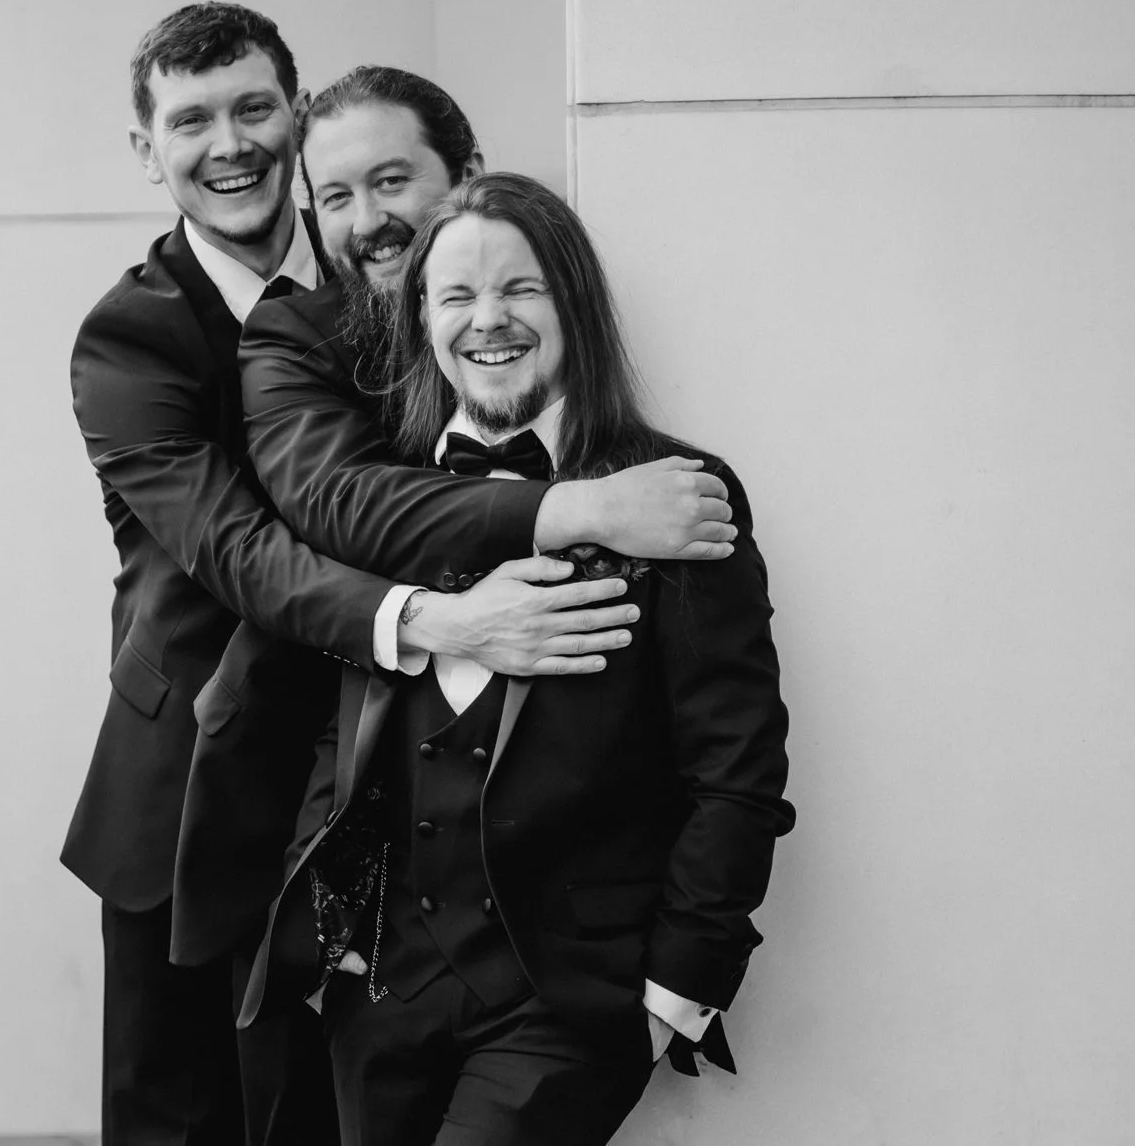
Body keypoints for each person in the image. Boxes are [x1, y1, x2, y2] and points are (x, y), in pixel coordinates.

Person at [68, 8, 680, 1146]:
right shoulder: (129, 338)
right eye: (191, 122)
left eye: (254, 109)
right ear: (149, 151)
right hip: (194, 790)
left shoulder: (409, 266)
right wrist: (450, 614)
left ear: (294, 119)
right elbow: (246, 549)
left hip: (375, 789)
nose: (229, 144)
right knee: (184, 1120)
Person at [239, 172, 795, 1146]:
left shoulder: (671, 495)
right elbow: (339, 720)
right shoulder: (379, 500)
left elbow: (735, 769)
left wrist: (679, 984)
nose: (487, 319)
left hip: (567, 999)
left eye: (519, 288)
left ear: (573, 301)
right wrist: (332, 932)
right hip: (381, 991)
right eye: (455, 295)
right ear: (422, 321)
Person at [174, 67, 745, 973]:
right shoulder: (294, 337)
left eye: (392, 180)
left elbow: (730, 758)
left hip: (564, 955)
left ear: (466, 172)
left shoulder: (661, 478)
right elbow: (340, 505)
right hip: (287, 835)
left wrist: (680, 978)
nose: (367, 221)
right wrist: (578, 513)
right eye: (336, 197)